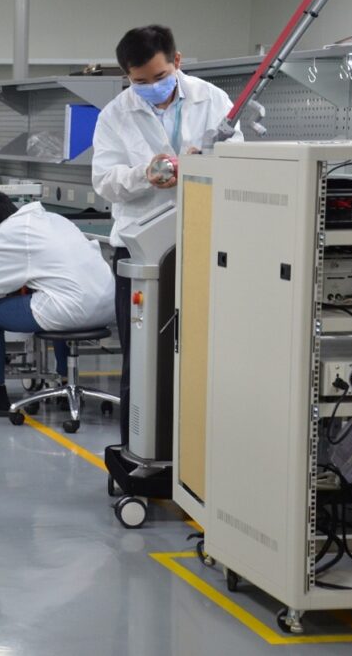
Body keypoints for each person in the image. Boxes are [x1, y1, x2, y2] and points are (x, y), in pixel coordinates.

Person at [91, 24, 241, 443]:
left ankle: (193, 456)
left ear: (177, 61)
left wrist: (203, 163)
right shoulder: (115, 114)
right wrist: (146, 173)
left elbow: (238, 160)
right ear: (127, 76)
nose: (151, 87)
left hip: (202, 243)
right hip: (140, 250)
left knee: (202, 356)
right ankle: (135, 453)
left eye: (159, 77)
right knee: (140, 361)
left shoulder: (213, 100)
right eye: (139, 82)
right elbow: (104, 181)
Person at [0, 192, 115, 417]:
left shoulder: (8, 233)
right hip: (107, 305)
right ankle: (65, 380)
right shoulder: (55, 219)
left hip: (72, 309)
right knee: (54, 297)